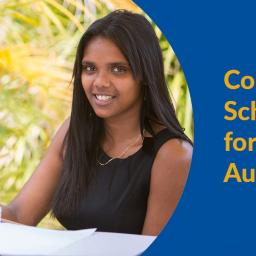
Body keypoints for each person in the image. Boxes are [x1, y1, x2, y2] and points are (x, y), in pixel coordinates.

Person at [0, 10, 193, 236]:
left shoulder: (174, 155)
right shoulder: (74, 131)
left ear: (144, 76)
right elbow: (20, 215)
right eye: (90, 68)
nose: (100, 82)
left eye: (118, 69)